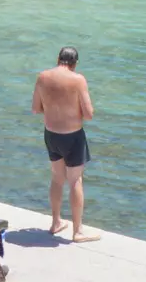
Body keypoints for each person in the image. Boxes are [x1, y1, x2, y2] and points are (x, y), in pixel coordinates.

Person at [32, 47, 99, 241]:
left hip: (51, 134)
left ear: (58, 58)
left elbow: (36, 108)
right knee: (75, 180)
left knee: (56, 178)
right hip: (72, 136)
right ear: (75, 63)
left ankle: (55, 223)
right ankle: (77, 231)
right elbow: (89, 114)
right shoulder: (78, 80)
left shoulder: (42, 77)